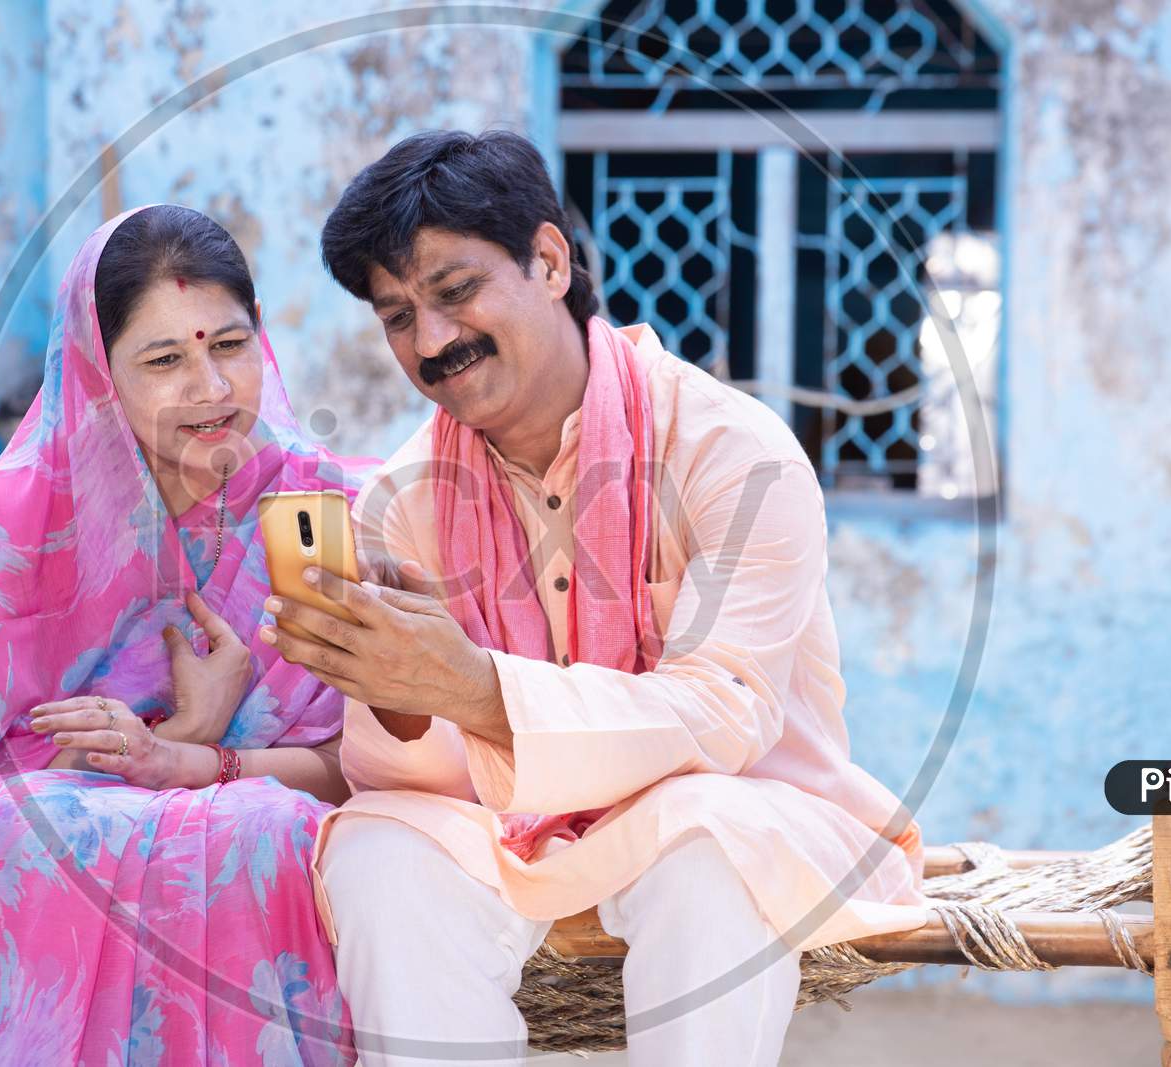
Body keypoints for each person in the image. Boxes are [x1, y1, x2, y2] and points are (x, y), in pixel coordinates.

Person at [259, 130, 929, 1066]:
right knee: (378, 847)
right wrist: (402, 701)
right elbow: (423, 782)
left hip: (743, 808)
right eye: (397, 316)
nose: (432, 341)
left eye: (454, 292)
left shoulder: (734, 453)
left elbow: (722, 716)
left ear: (550, 259)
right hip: (524, 838)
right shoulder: (401, 501)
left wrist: (475, 689)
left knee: (709, 837)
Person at [0, 205, 364, 1066]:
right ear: (97, 372)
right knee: (34, 837)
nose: (211, 388)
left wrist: (197, 764)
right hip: (46, 845)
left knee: (266, 834)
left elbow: (352, 771)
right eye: (165, 359)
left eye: (229, 346)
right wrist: (165, 743)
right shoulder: (15, 524)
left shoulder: (311, 511)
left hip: (251, 833)